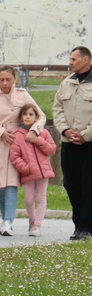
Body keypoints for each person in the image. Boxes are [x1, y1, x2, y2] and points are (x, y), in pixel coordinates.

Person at [0, 66, 39, 238]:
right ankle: (4, 219)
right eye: (1, 79)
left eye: (8, 79)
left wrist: (33, 131)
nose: (4, 83)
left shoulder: (22, 94)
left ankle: (8, 221)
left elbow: (39, 115)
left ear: (15, 79)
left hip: (16, 140)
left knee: (11, 181)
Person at [53, 45, 92, 241]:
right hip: (69, 144)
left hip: (89, 144)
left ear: (86, 60)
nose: (70, 62)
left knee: (89, 186)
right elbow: (57, 108)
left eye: (74, 59)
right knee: (72, 184)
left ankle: (86, 227)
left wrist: (86, 134)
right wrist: (66, 130)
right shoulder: (66, 84)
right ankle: (79, 226)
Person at [9, 104, 56, 237]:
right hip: (28, 173)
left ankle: (37, 225)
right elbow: (14, 156)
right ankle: (32, 220)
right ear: (21, 117)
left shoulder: (44, 133)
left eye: (31, 114)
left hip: (43, 172)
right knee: (29, 200)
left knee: (41, 198)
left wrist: (37, 140)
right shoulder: (18, 135)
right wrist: (25, 168)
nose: (27, 117)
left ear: (36, 117)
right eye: (25, 114)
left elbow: (51, 149)